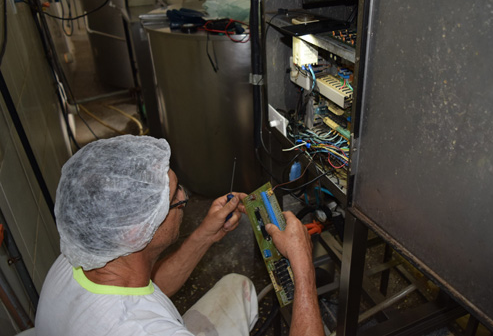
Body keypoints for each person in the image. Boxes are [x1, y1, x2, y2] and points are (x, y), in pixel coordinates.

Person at [35, 135, 323, 336]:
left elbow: (145, 286)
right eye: (175, 196)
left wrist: (204, 236)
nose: (185, 197)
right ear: (138, 230)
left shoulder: (84, 251)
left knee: (239, 287)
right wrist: (302, 266)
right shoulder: (144, 330)